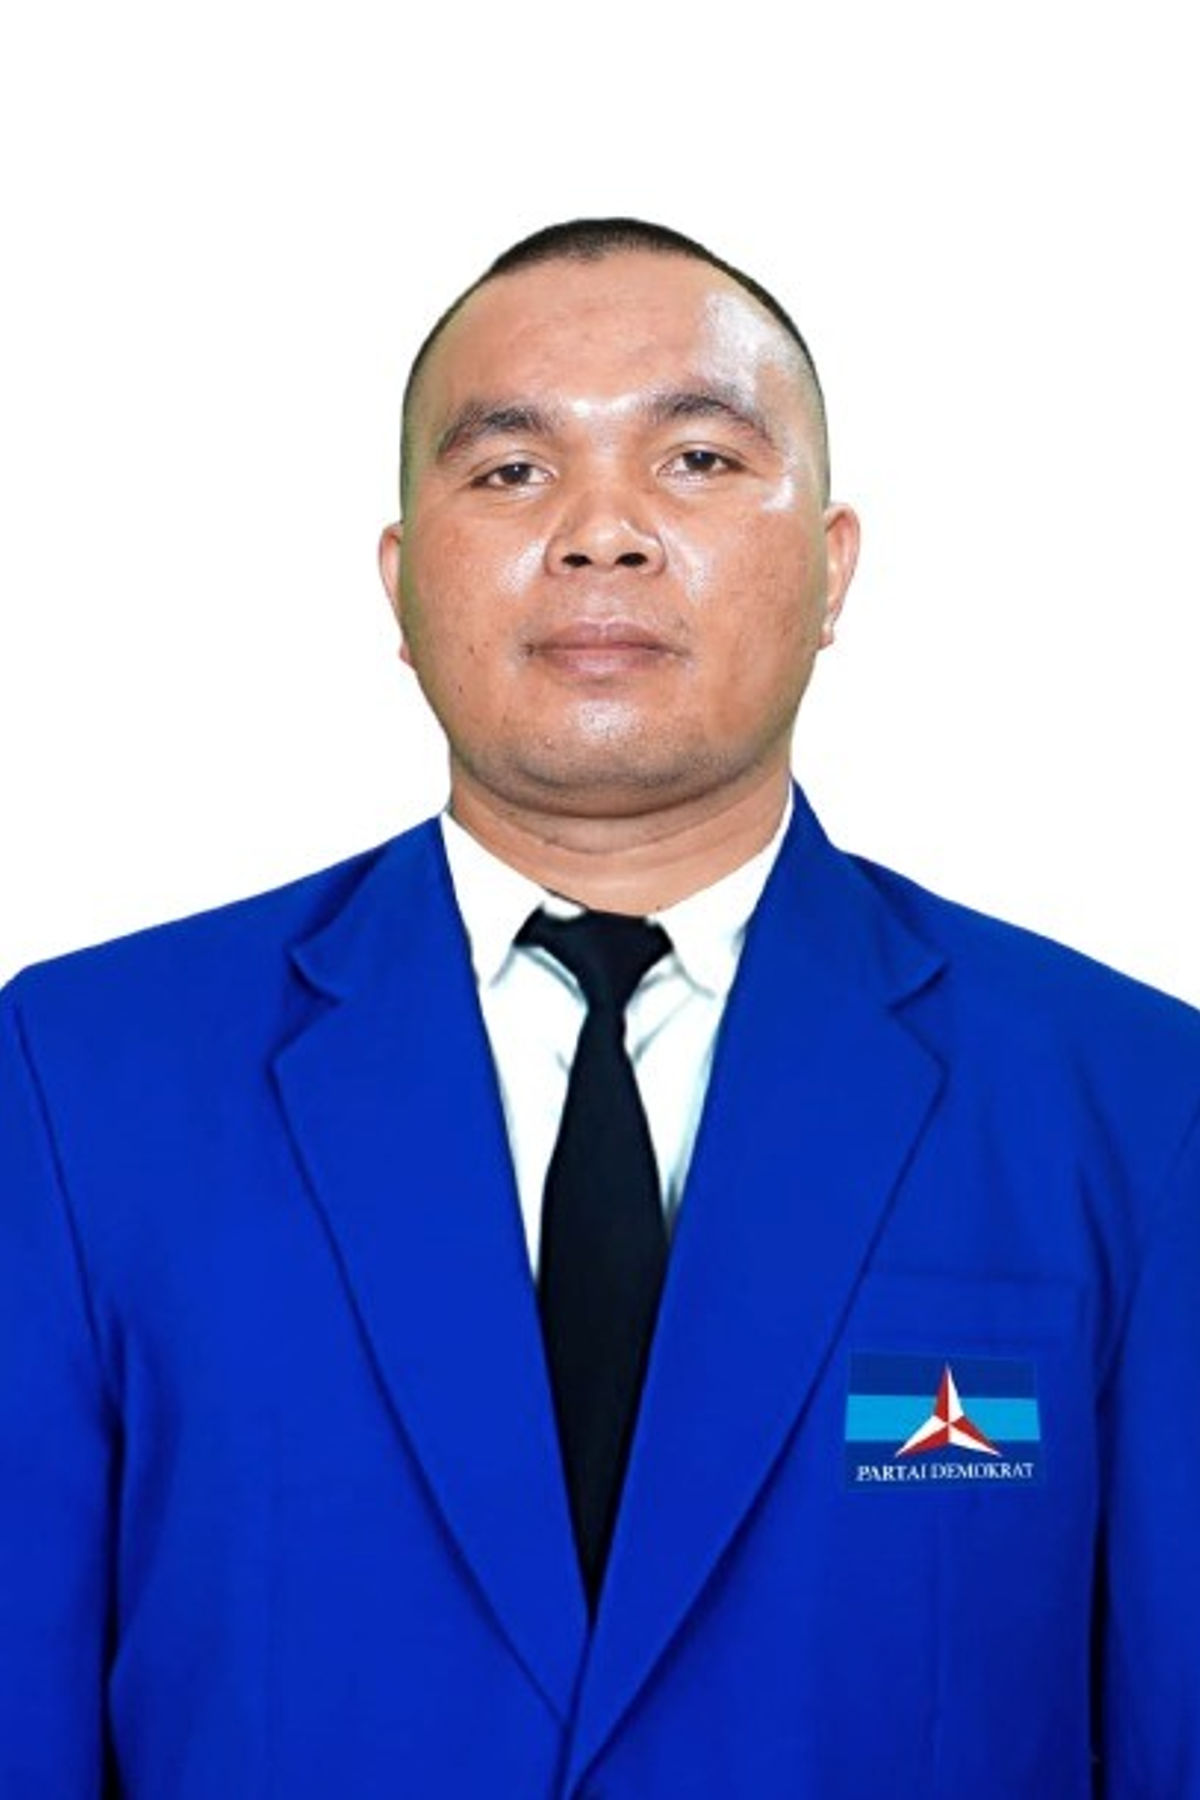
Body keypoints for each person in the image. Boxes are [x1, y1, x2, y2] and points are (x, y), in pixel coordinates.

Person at [1, 218, 1198, 1799]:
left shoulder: (1131, 1102)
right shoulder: (83, 1082)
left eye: (697, 459)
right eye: (512, 470)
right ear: (401, 582)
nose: (603, 533)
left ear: (832, 566)